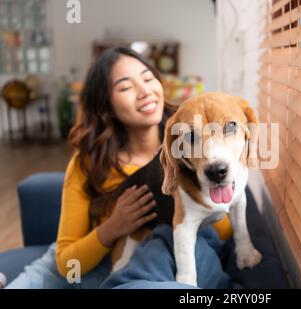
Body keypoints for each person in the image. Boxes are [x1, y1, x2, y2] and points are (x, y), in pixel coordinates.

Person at [6, 47, 232, 289]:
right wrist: (115, 226)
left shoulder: (193, 151)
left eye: (147, 78)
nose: (145, 91)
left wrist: (198, 195)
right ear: (106, 107)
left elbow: (223, 232)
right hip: (87, 265)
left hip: (153, 263)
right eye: (125, 87)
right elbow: (65, 263)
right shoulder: (89, 163)